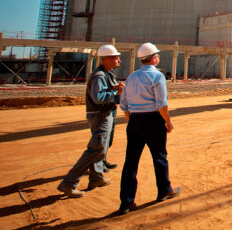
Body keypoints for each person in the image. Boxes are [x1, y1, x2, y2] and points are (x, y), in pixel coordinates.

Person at [117, 43, 180, 215]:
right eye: (157, 55)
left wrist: (133, 120)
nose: (158, 58)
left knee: (130, 162)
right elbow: (161, 104)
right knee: (159, 156)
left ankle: (126, 203)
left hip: (135, 120)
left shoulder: (131, 77)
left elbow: (124, 104)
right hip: (153, 119)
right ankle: (164, 190)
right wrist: (168, 121)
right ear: (153, 58)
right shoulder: (157, 76)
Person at [57, 44, 124, 198]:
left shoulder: (106, 73)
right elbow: (98, 97)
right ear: (107, 59)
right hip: (100, 115)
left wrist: (113, 88)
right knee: (96, 149)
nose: (119, 60)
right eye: (116, 57)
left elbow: (102, 91)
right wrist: (116, 93)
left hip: (104, 113)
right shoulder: (100, 75)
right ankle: (68, 183)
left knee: (101, 147)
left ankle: (96, 178)